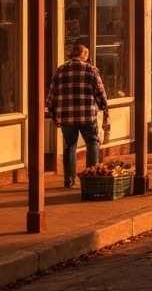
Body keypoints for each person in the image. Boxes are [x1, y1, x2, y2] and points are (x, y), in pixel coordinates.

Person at [46, 43, 109, 188]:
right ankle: (91, 179)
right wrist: (103, 107)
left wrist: (54, 114)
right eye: (87, 53)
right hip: (87, 115)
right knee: (92, 143)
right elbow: (100, 92)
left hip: (66, 116)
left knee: (69, 146)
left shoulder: (60, 70)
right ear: (84, 54)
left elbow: (51, 96)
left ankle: (69, 180)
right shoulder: (90, 69)